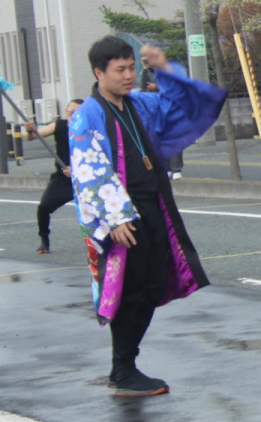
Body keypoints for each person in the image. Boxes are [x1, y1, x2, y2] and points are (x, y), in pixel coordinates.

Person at [69, 38, 227, 396]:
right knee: (129, 290)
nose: (128, 76)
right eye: (120, 70)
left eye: (131, 68)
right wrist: (114, 217)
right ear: (99, 73)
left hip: (153, 206)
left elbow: (185, 103)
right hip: (121, 217)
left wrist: (164, 68)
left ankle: (123, 367)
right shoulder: (88, 114)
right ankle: (124, 369)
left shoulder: (139, 103)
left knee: (152, 284)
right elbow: (88, 168)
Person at [25, 98, 83, 253]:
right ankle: (44, 240)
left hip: (86, 178)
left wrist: (76, 170)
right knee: (43, 207)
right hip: (62, 179)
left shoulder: (90, 128)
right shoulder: (59, 125)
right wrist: (30, 130)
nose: (72, 115)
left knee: (97, 212)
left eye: (77, 112)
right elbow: (32, 137)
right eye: (70, 112)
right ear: (66, 111)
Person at [138, 52, 184, 179]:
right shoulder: (148, 73)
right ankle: (167, 168)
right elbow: (143, 86)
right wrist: (145, 69)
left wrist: (156, 86)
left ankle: (176, 169)